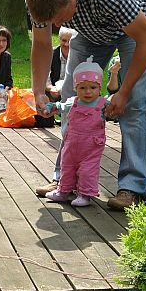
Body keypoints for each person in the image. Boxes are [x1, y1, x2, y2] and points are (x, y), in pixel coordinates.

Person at [24, 0, 146, 210]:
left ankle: (132, 188)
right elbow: (42, 43)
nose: (56, 25)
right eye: (51, 21)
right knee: (70, 98)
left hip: (135, 25)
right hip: (90, 29)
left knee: (134, 104)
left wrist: (123, 91)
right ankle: (65, 180)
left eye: (59, 18)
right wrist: (38, 90)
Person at [45, 57, 107, 207]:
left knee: (88, 170)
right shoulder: (73, 102)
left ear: (99, 88)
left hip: (91, 146)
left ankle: (85, 194)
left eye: (93, 88)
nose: (87, 92)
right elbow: (60, 106)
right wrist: (51, 107)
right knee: (67, 166)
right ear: (75, 88)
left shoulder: (102, 104)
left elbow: (116, 107)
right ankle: (63, 191)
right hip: (72, 144)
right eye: (82, 88)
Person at [46, 27, 78, 102]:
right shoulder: (50, 54)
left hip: (74, 92)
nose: (66, 44)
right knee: (39, 97)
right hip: (54, 90)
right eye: (64, 40)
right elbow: (43, 76)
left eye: (70, 41)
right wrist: (51, 88)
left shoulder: (79, 56)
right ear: (59, 40)